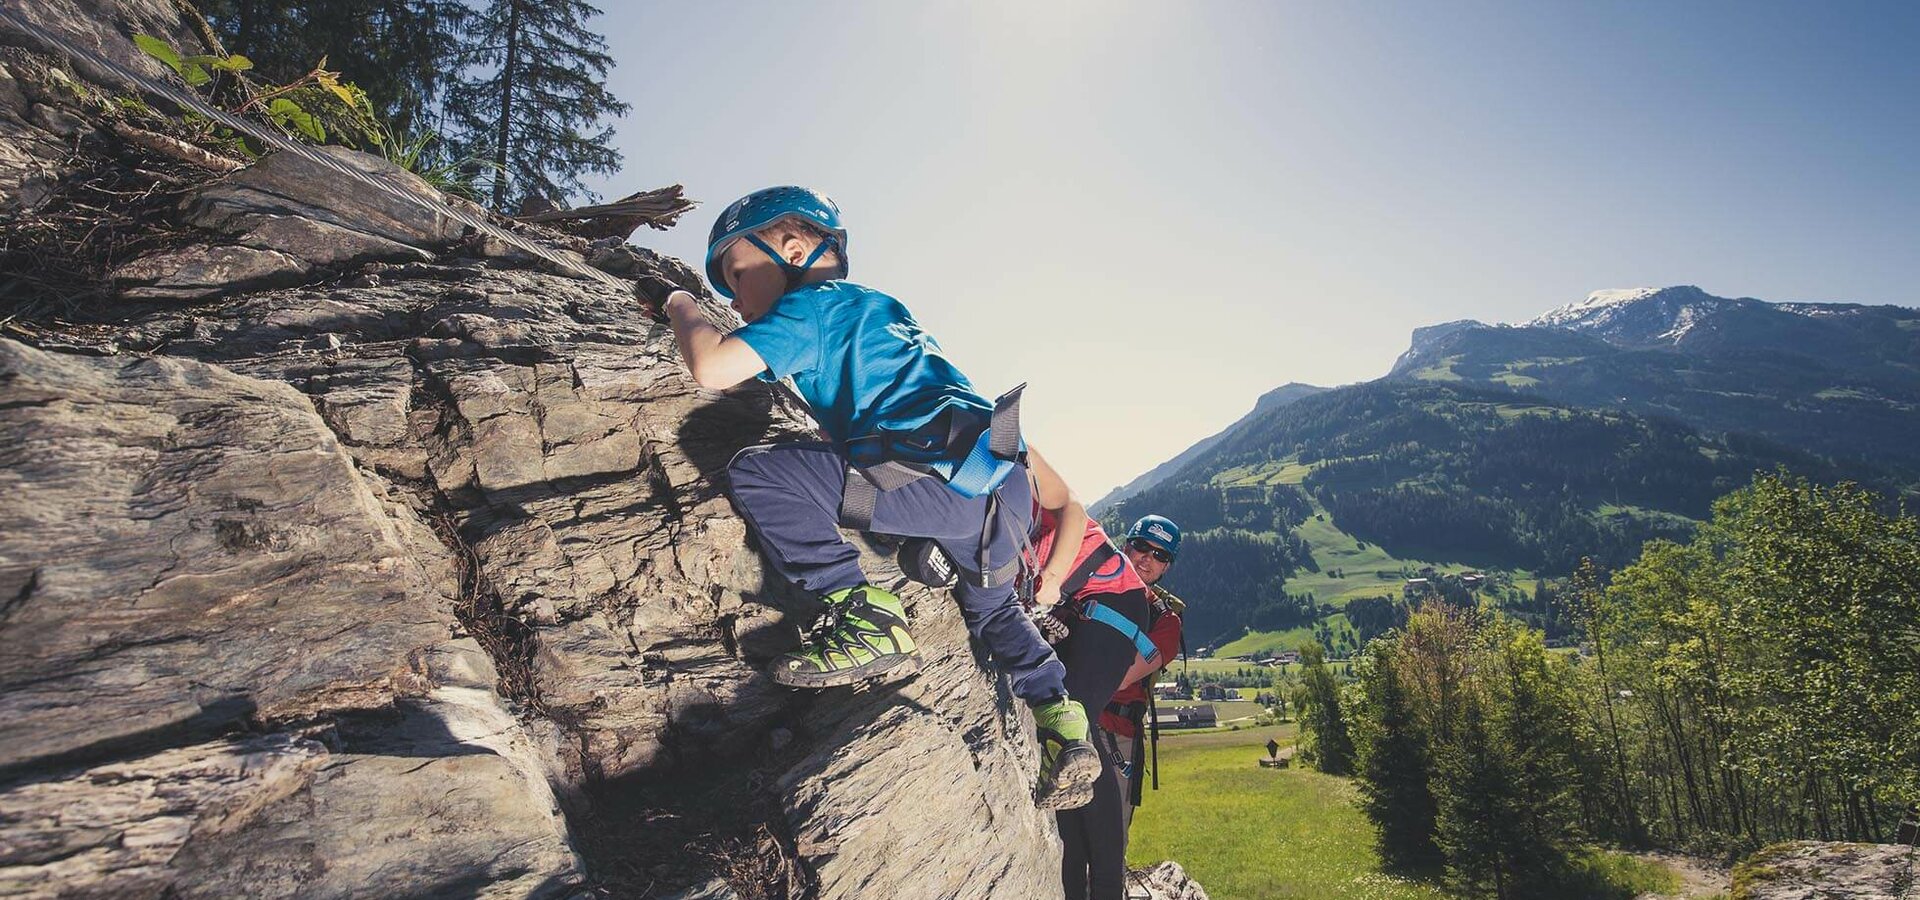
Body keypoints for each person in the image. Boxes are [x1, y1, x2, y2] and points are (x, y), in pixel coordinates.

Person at [633, 186, 1100, 809]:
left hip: (931, 480)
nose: (735, 300)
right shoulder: (877, 310)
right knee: (991, 612)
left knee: (761, 474)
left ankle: (860, 611)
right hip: (1001, 488)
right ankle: (1061, 719)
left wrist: (680, 301)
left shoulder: (813, 309)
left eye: (738, 276)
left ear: (794, 250)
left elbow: (713, 367)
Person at [1046, 514, 1185, 900]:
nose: (1146, 559)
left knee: (1106, 847)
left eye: (1159, 555)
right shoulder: (1090, 587)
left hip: (1113, 740)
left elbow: (1120, 676)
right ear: (1127, 545)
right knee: (1067, 841)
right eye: (1142, 547)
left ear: (1167, 566)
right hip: (1071, 723)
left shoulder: (1164, 621)